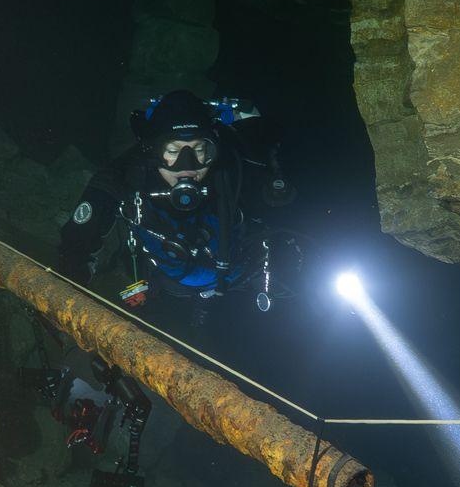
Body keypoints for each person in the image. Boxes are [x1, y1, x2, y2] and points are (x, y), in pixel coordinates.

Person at [57, 89, 298, 317]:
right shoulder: (127, 174)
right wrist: (71, 282)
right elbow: (77, 242)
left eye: (199, 150)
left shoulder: (231, 170)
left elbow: (286, 215)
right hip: (166, 287)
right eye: (172, 150)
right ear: (152, 151)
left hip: (240, 283)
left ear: (213, 149)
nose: (188, 166)